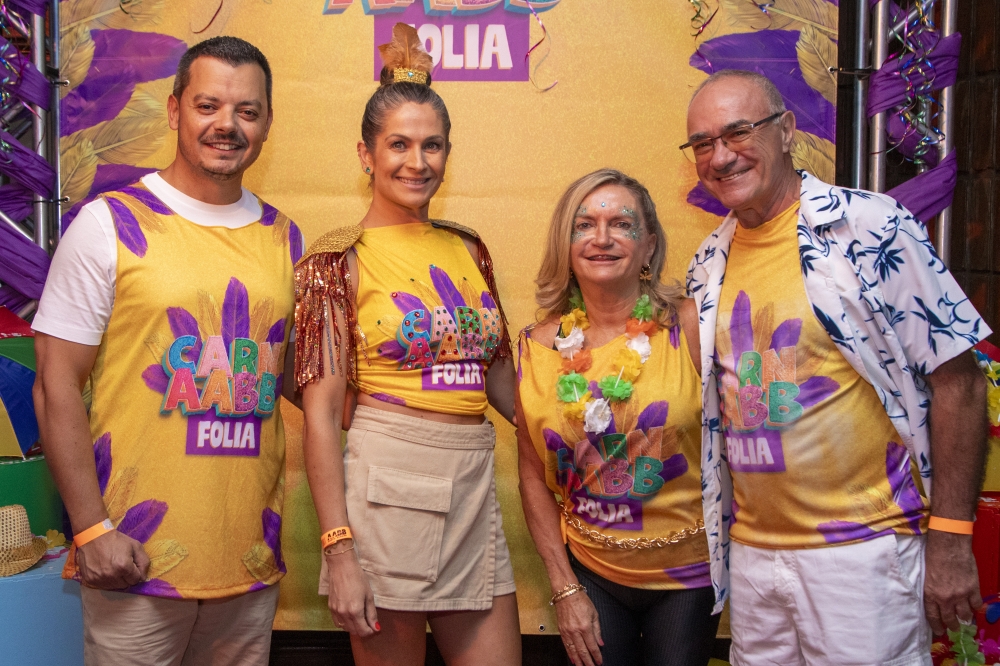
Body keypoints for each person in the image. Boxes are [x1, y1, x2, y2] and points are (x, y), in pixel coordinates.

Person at [684, 69, 989, 664]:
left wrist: (952, 535)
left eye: (739, 132)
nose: (720, 156)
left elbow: (960, 383)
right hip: (753, 558)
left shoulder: (870, 227)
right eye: (702, 143)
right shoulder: (707, 263)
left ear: (786, 130)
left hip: (864, 556)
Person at [32, 37, 300, 666]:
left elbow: (294, 380)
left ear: (267, 123)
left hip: (247, 566)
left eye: (248, 111)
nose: (227, 125)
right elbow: (54, 384)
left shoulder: (285, 238)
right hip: (132, 561)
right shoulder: (108, 223)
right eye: (208, 105)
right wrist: (91, 529)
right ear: (176, 109)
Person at [293, 24, 521, 666]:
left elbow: (502, 382)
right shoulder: (336, 261)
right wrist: (339, 549)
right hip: (388, 486)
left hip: (474, 482)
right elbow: (320, 414)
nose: (416, 162)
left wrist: (580, 434)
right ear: (366, 154)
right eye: (398, 144)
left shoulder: (468, 247)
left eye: (431, 145)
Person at [515, 169, 719, 666]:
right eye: (584, 225)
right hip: (591, 570)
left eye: (621, 224)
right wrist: (564, 588)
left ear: (649, 245)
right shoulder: (537, 347)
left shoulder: (691, 326)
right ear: (565, 244)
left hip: (689, 573)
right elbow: (532, 475)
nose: (601, 238)